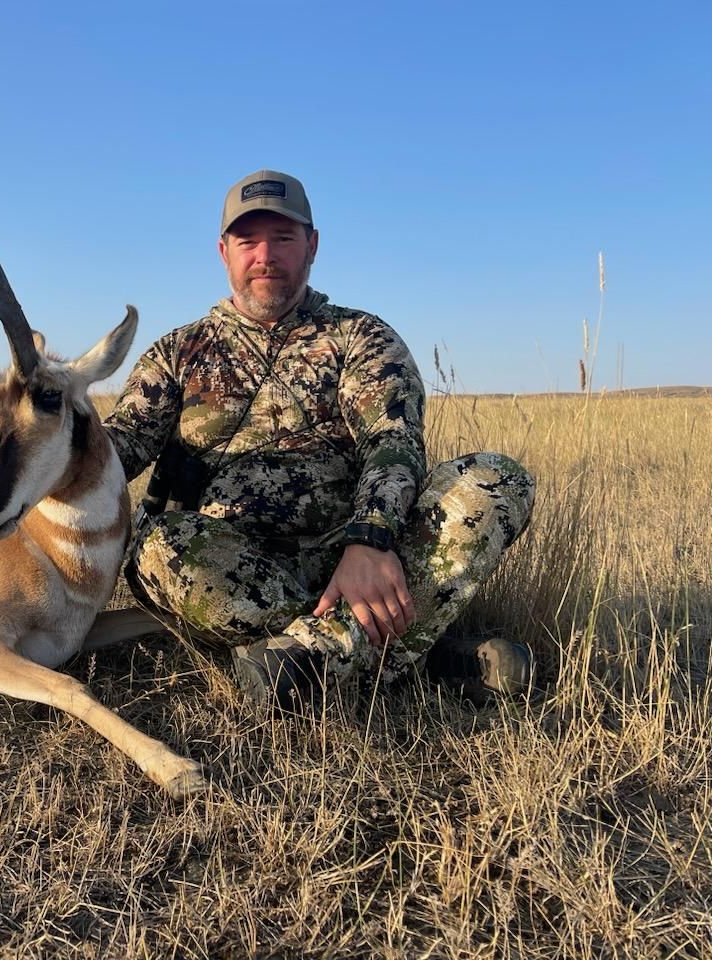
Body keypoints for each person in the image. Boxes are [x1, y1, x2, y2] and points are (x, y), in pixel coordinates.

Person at [103, 170, 536, 710]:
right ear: (223, 252)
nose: (265, 255)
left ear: (312, 245)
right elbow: (109, 453)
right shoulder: (177, 352)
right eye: (248, 241)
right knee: (158, 547)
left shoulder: (362, 337)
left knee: (495, 480)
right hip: (227, 569)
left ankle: (299, 663)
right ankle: (416, 653)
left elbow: (391, 442)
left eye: (283, 238)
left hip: (355, 559)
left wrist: (369, 540)